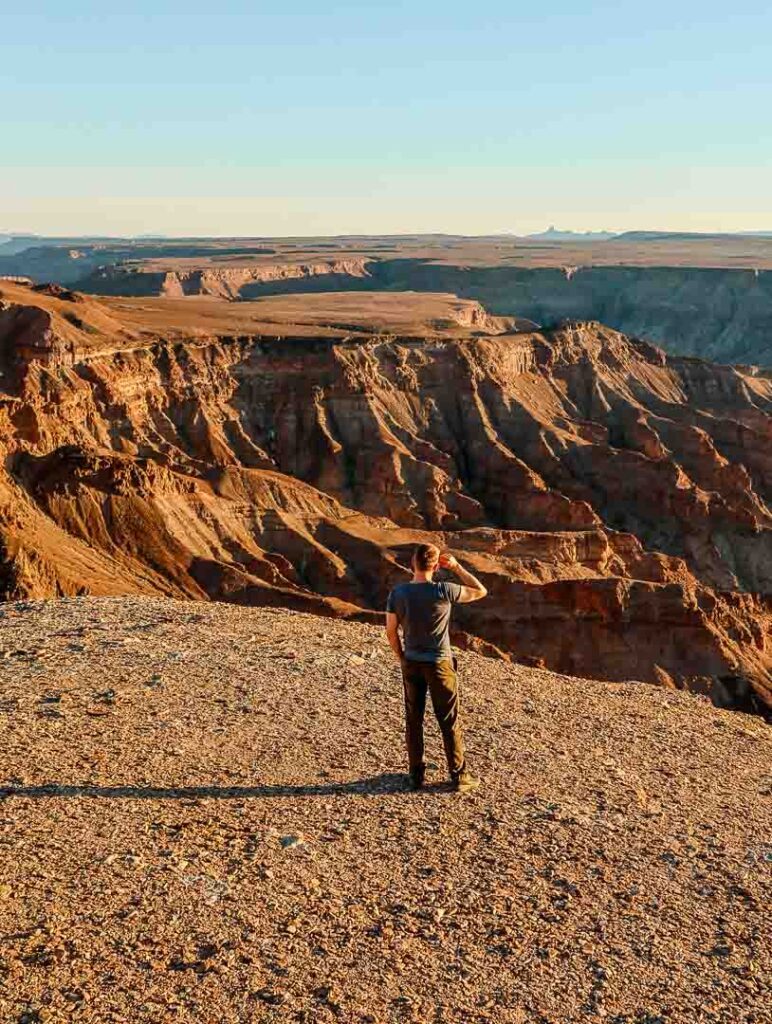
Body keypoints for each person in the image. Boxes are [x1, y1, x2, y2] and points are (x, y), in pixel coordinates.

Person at [385, 543, 488, 792]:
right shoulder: (444, 589)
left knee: (414, 718)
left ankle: (416, 776)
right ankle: (459, 776)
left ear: (413, 563)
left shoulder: (398, 593)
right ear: (435, 566)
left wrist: (402, 657)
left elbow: (390, 631)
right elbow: (480, 591)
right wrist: (457, 567)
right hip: (440, 663)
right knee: (448, 719)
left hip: (412, 662)